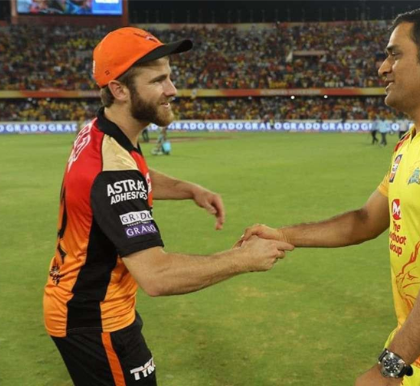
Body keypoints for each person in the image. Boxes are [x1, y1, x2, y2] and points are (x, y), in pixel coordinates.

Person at [240, 8, 420, 386]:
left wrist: (389, 367)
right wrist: (285, 235)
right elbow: (366, 220)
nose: (382, 68)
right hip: (416, 349)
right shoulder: (411, 142)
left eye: (394, 54)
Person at [43, 27, 294, 386]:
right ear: (119, 89)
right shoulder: (111, 171)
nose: (172, 90)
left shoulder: (101, 132)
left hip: (85, 305)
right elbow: (156, 276)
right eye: (159, 80)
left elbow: (133, 173)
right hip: (94, 318)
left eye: (170, 77)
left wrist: (188, 189)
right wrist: (243, 258)